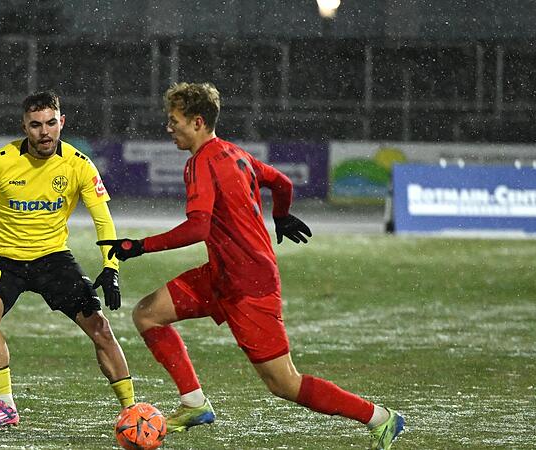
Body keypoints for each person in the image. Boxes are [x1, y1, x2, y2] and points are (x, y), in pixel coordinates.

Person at [97, 82, 405, 449]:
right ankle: (195, 404)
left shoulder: (203, 163)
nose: (169, 128)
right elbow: (282, 182)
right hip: (222, 274)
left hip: (249, 286)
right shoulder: (234, 154)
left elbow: (199, 227)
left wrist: (139, 246)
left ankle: (381, 418)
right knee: (147, 314)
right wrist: (283, 215)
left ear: (197, 122)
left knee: (283, 383)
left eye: (174, 120)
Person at [0, 91, 135, 429]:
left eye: (51, 123)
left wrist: (111, 265)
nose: (44, 132)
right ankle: (5, 406)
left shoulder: (78, 164)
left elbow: (102, 218)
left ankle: (131, 409)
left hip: (53, 259)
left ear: (61, 122)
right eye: (36, 125)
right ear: (24, 126)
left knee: (100, 328)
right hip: (2, 258)